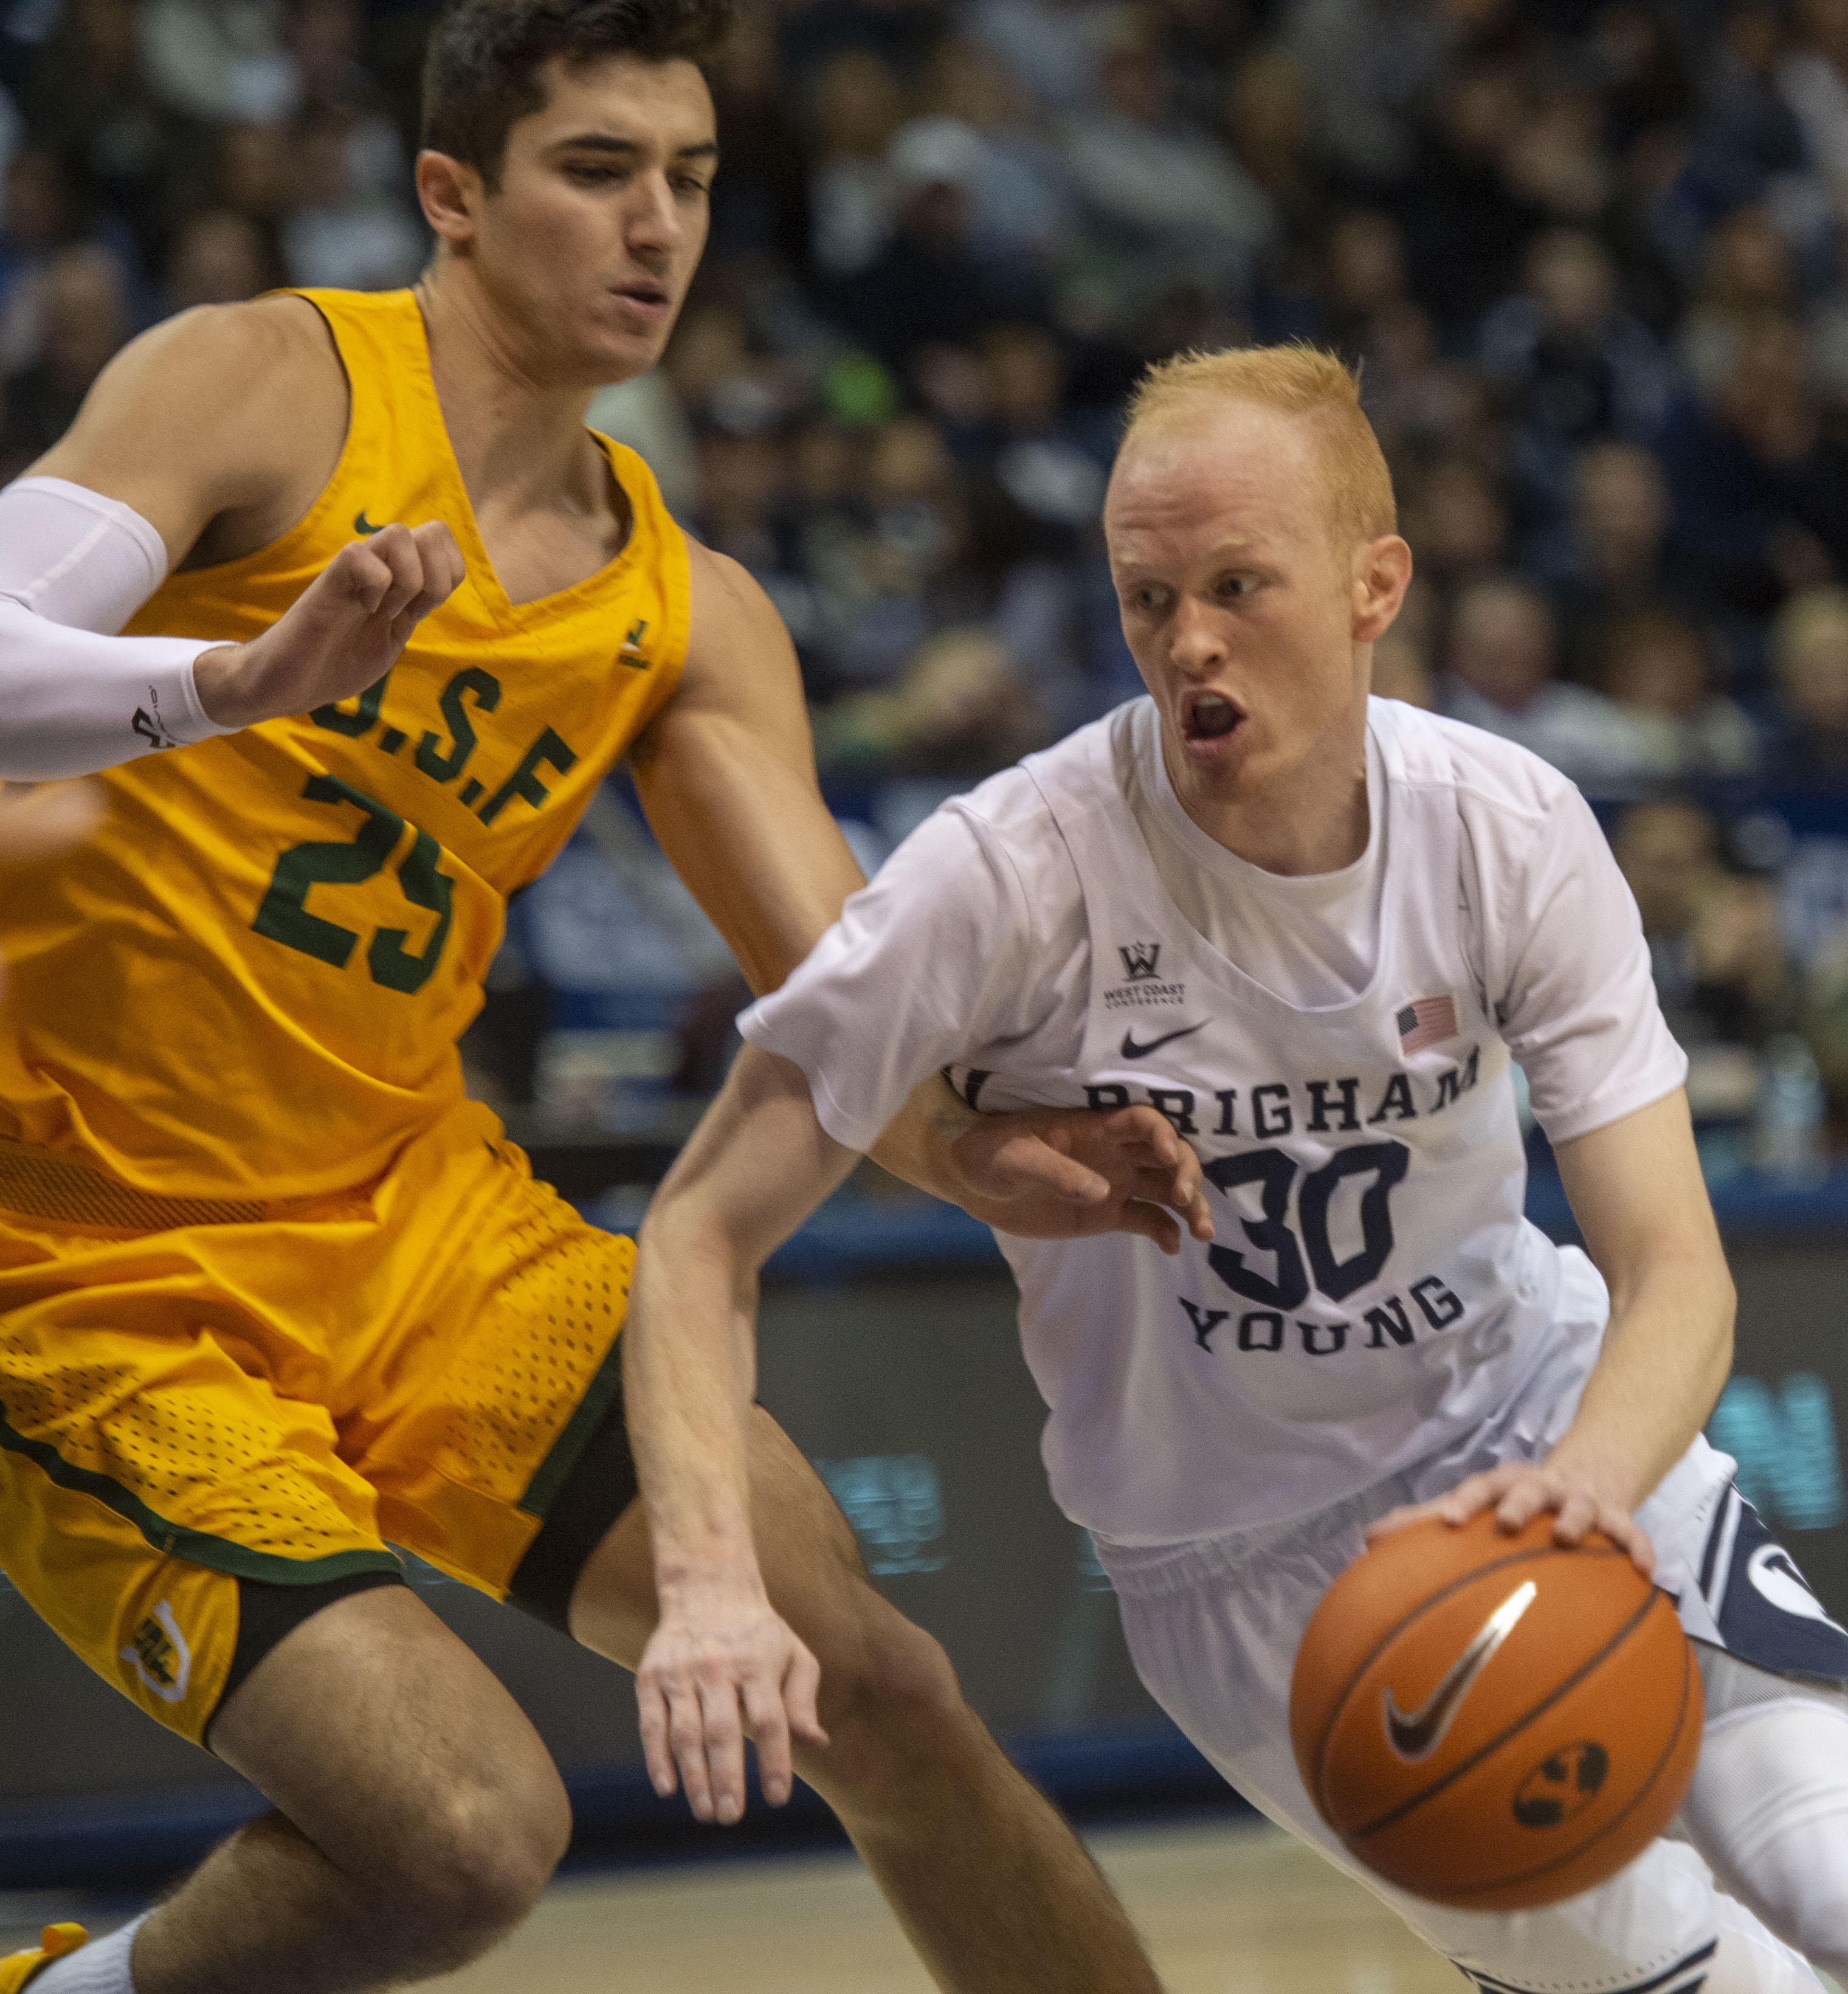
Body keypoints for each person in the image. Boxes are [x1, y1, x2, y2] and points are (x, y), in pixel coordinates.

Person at [0, 4, 1205, 1991]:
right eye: (598, 171)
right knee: (465, 1841)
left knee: (878, 1685)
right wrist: (217, 689)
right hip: (91, 1267)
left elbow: (844, 994)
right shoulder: (266, 381)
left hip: (415, 1226)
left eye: (695, 181)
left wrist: (995, 1140)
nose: (659, 227)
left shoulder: (686, 610)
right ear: (451, 197)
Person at [627, 344, 1848, 1994]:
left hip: (1542, 1432)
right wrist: (707, 1586)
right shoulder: (1012, 875)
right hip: (1258, 1572)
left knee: (1830, 1864)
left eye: (1237, 587)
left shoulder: (1511, 827)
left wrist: (1582, 1496)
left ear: (1373, 587)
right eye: (1146, 598)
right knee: (1706, 1984)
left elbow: (1677, 1272)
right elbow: (697, 1230)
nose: (1187, 642)